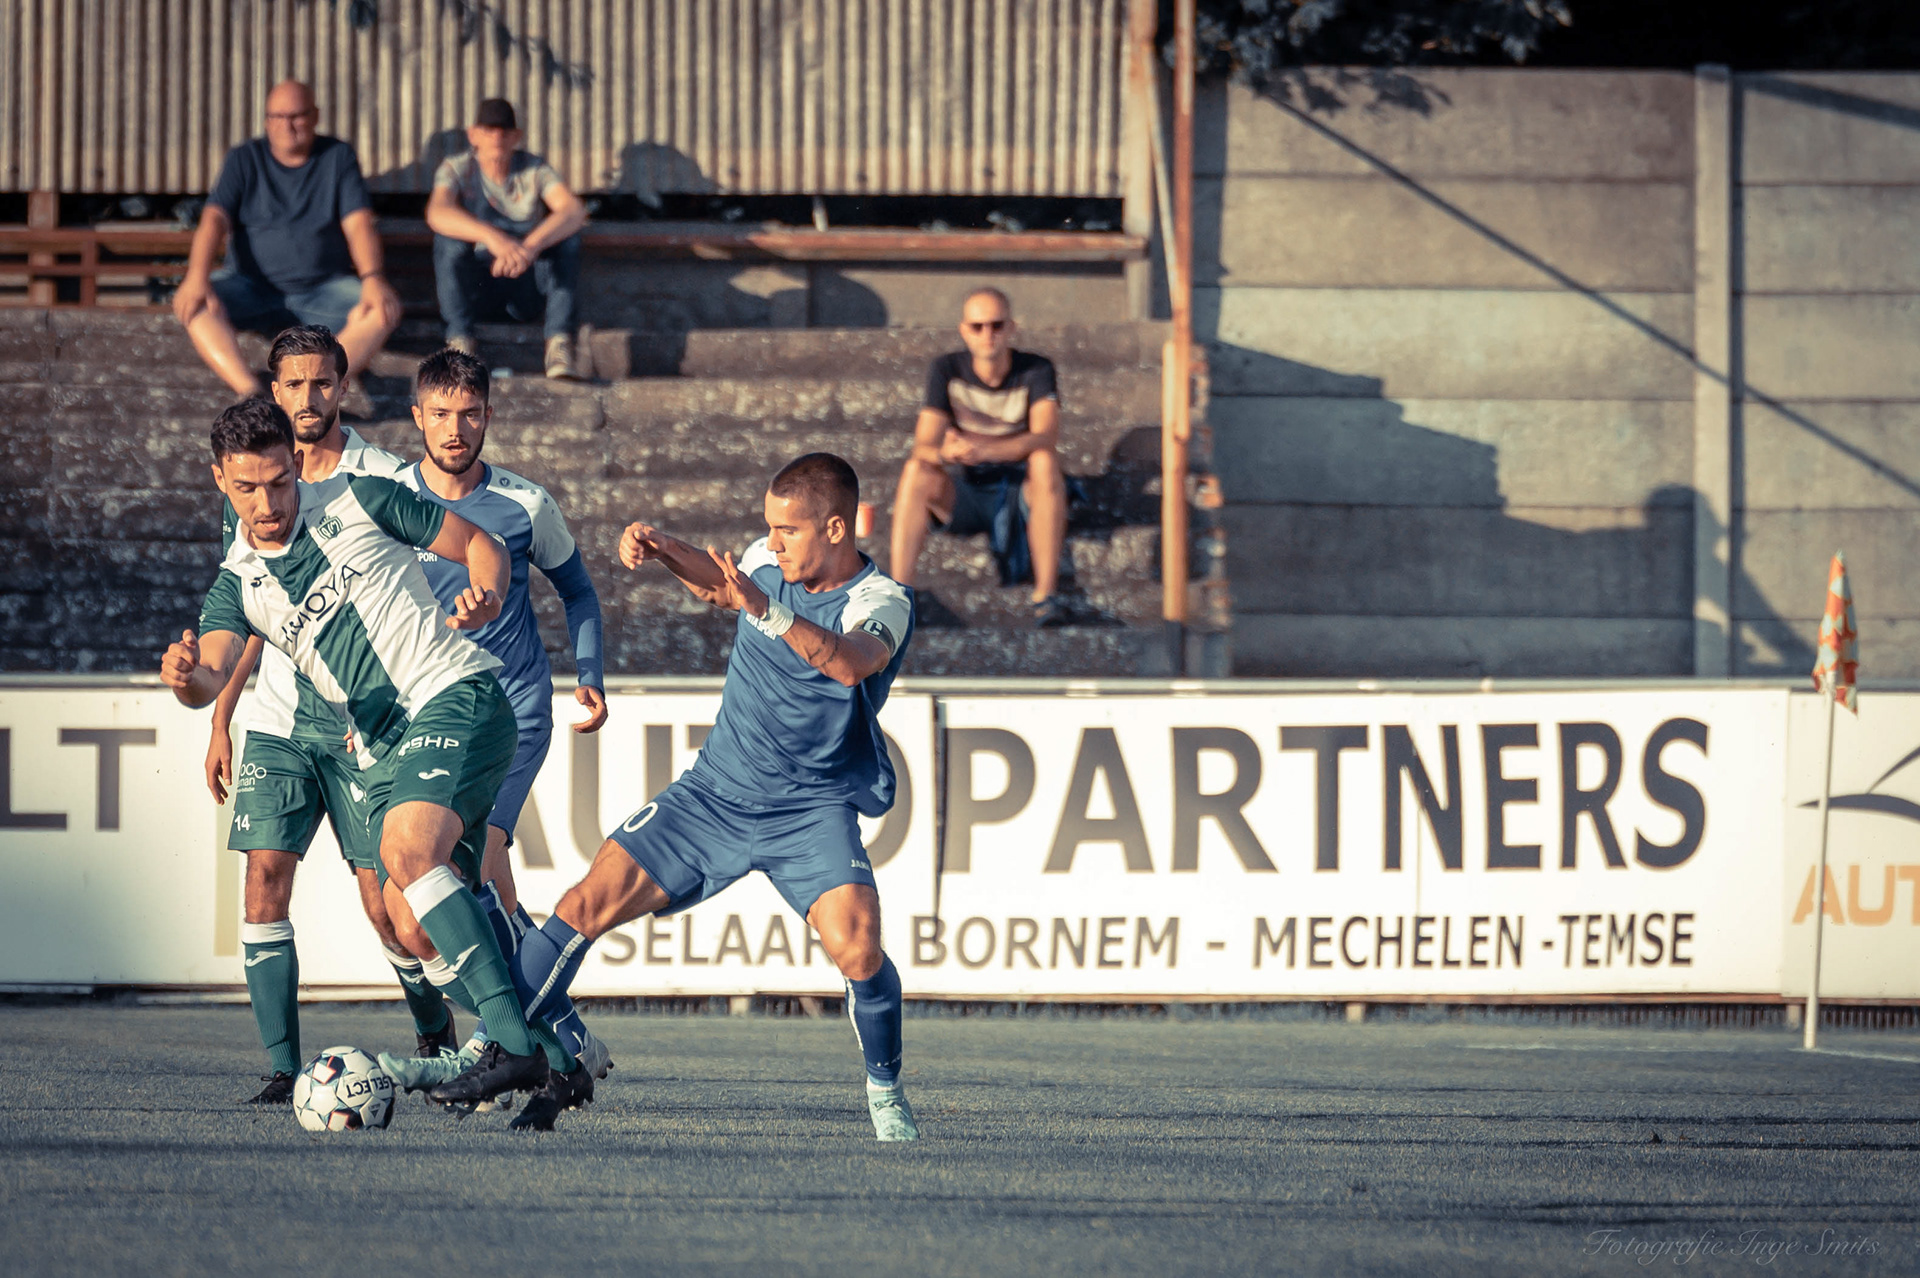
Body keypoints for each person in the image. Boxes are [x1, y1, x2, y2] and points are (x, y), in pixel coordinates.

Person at [161, 398, 576, 1130]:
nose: (267, 504)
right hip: (383, 749)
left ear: (295, 463)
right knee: (413, 926)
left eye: (279, 482)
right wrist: (186, 679)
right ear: (220, 480)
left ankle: (512, 1048)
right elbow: (212, 672)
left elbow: (479, 542)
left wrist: (487, 593)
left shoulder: (360, 496)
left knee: (409, 853)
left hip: (456, 698)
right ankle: (556, 1048)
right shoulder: (237, 585)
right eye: (247, 489)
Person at [483, 453, 922, 1140]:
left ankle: (886, 1092)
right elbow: (722, 586)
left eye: (788, 530)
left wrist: (765, 609)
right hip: (714, 793)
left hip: (810, 809)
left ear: (835, 529)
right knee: (583, 902)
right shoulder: (767, 564)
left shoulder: (881, 600)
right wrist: (664, 549)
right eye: (769, 529)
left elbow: (848, 664)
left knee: (860, 950)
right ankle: (495, 1047)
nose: (772, 544)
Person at [201, 326, 457, 1104]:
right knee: (262, 879)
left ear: (343, 387)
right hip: (281, 718)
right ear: (274, 390)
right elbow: (252, 610)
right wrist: (221, 716)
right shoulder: (252, 486)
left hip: (365, 720)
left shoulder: (378, 477)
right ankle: (283, 1070)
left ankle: (437, 1031)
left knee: (386, 907)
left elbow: (416, 592)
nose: (308, 397)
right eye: (293, 384)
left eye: (322, 383)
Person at [376, 347, 613, 1099]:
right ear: (417, 416)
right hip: (425, 712)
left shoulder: (525, 504)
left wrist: (590, 677)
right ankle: (555, 1029)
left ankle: (510, 1044)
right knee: (419, 904)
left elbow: (580, 592)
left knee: (473, 866)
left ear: (489, 416)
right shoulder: (387, 500)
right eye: (441, 413)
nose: (456, 428)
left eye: (470, 413)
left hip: (510, 709)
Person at [172, 81, 404, 396]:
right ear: (267, 121)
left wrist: (373, 277)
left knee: (382, 309)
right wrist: (196, 276)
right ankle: (250, 391)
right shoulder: (243, 158)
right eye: (277, 116)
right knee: (195, 302)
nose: (287, 125)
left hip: (322, 291)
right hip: (249, 287)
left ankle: (315, 390)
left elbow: (358, 224)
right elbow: (214, 219)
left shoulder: (337, 157)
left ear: (315, 116)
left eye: (296, 116)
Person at [889, 287, 1072, 628]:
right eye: (978, 326)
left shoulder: (1036, 368)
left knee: (1045, 462)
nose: (988, 335)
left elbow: (1046, 437)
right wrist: (947, 453)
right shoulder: (946, 369)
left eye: (996, 325)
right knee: (916, 470)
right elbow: (923, 446)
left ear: (1011, 328)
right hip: (967, 490)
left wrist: (984, 450)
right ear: (964, 330)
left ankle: (1046, 595)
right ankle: (898, 597)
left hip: (1021, 491)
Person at [426, 98, 589, 379]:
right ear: (473, 134)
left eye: (504, 131)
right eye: (489, 130)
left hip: (524, 283)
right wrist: (493, 238)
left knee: (568, 241)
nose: (497, 138)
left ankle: (559, 343)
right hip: (478, 285)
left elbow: (573, 210)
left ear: (516, 136)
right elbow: (437, 212)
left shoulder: (534, 169)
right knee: (448, 243)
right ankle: (460, 343)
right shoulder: (457, 168)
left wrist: (529, 247)